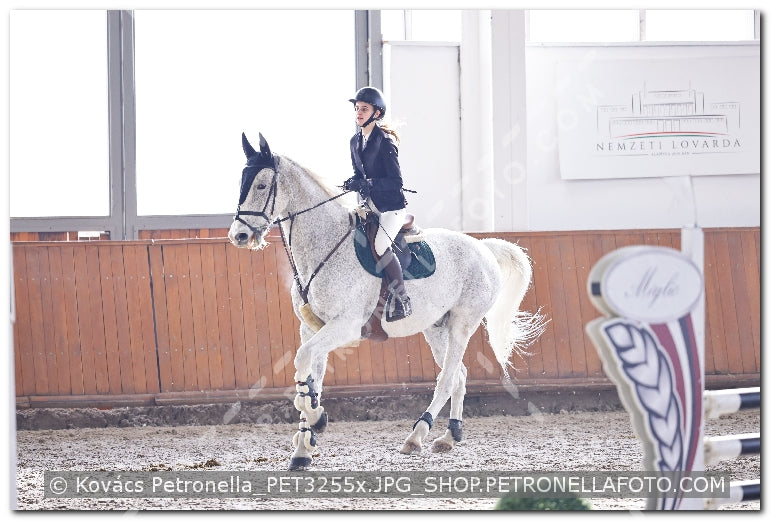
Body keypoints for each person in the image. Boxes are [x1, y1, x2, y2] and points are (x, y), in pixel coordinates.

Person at [343, 86, 412, 321]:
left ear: (376, 113)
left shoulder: (385, 142)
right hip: (369, 206)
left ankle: (403, 298)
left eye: (364, 109)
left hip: (391, 207)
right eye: (357, 109)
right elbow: (358, 173)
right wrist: (353, 182)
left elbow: (396, 181)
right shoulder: (355, 141)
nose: (359, 113)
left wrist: (369, 184)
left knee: (381, 246)